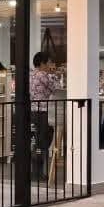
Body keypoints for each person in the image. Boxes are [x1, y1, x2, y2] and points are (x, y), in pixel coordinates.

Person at [29, 51, 58, 180]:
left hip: (33, 110)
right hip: (43, 111)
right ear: (42, 63)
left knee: (37, 140)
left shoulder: (32, 74)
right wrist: (54, 74)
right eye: (48, 63)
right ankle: (38, 172)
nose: (49, 65)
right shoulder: (43, 75)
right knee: (43, 140)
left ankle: (35, 171)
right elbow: (55, 88)